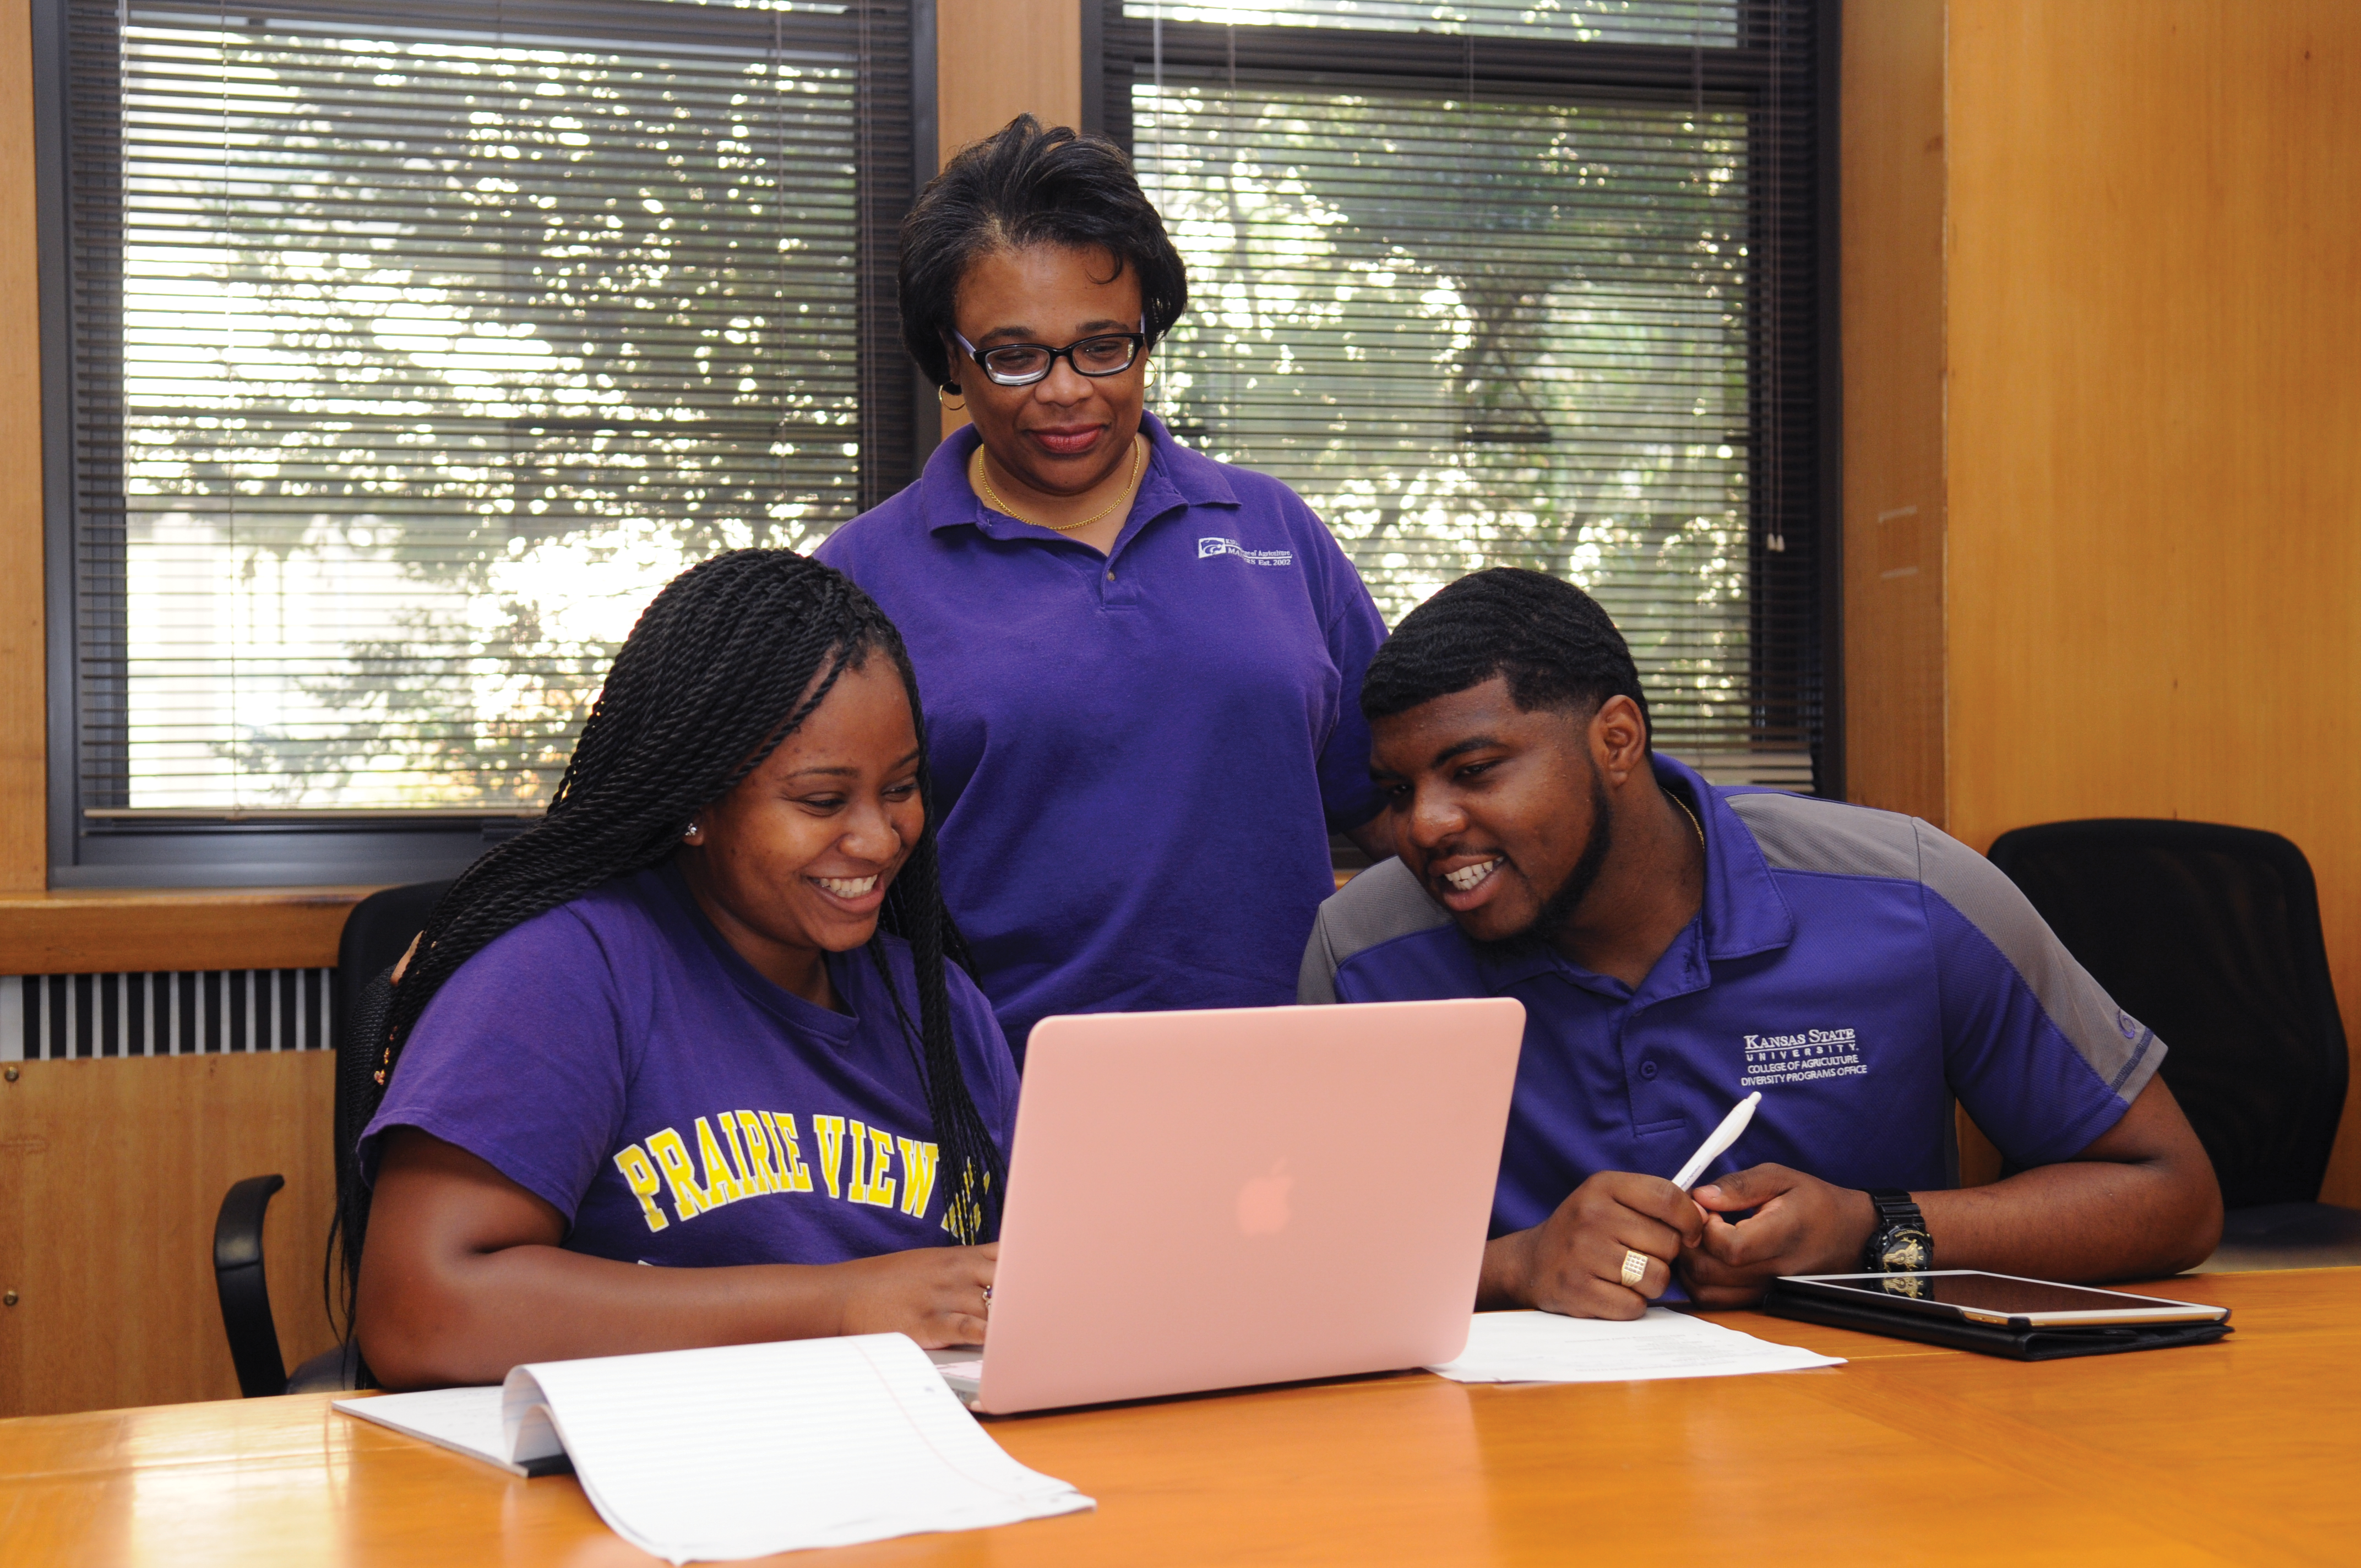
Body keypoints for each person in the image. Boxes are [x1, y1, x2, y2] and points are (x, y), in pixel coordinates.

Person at [1298, 568, 2223, 1317]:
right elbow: (1296, 1266)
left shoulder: (1910, 894)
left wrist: (1873, 1230)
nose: (1423, 826)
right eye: (1396, 792)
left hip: (1876, 1457)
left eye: (1472, 772)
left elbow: (2172, 1197)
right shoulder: (1365, 949)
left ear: (1616, 741)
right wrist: (1515, 1267)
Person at [350, 551, 1015, 1390]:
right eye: (821, 800)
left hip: (930, 1463)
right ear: (698, 801)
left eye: (902, 788)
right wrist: (840, 1306)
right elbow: (421, 1313)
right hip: (639, 1480)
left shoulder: (937, 1003)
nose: (880, 839)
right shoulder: (561, 972)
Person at [817, 116, 1391, 1063]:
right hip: (998, 1094)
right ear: (951, 361)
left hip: (1293, 1078)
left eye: (1103, 347)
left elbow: (1405, 809)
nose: (1066, 390)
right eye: (1014, 355)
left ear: (1146, 335)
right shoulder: (865, 575)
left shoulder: (1273, 530)